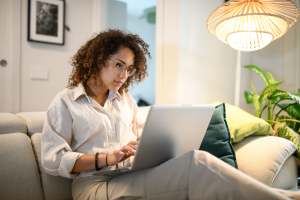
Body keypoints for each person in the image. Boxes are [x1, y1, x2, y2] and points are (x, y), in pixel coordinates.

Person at [42, 29, 299, 200]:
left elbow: (137, 139)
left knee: (193, 158)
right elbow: (53, 160)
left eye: (129, 68)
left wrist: (140, 146)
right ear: (98, 60)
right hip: (93, 187)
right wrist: (106, 157)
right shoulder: (65, 102)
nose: (124, 75)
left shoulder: (124, 101)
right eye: (119, 65)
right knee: (195, 165)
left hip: (128, 175)